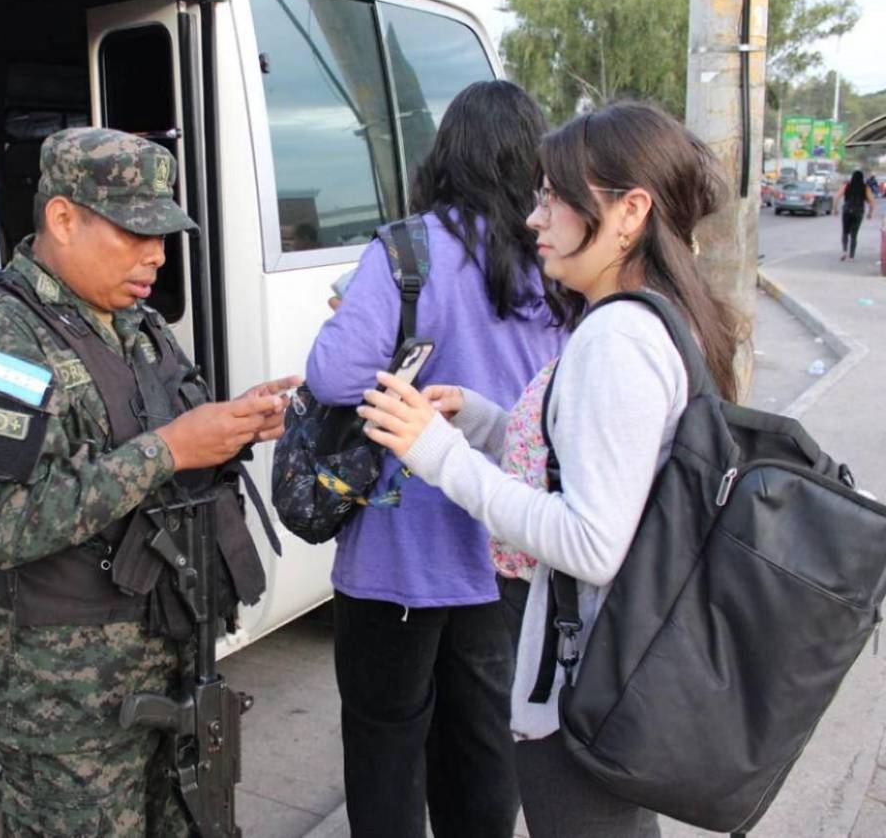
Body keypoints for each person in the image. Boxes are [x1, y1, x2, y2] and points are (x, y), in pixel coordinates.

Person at [359, 102, 741, 838]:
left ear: (631, 212)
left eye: (557, 197)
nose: (534, 217)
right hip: (616, 657)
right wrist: (484, 421)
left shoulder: (617, 339)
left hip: (586, 670)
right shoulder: (653, 315)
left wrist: (438, 455)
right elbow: (600, 467)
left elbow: (590, 541)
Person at [0, 127, 298, 837]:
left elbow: (157, 434)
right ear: (63, 218)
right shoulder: (0, 337)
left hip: (168, 660)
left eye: (162, 235)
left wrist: (232, 424)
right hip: (68, 703)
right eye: (135, 233)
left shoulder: (135, 321)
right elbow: (11, 520)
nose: (156, 254)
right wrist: (171, 449)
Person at [305, 80, 572, 838]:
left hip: (397, 554)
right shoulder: (556, 258)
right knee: (483, 750)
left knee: (386, 749)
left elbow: (332, 376)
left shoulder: (407, 249)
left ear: (445, 154)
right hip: (506, 549)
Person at [835, 169, 875, 261]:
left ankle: (844, 252)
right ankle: (851, 257)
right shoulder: (865, 187)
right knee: (854, 234)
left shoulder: (846, 185)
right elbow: (872, 202)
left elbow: (836, 197)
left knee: (845, 232)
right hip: (858, 212)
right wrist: (870, 213)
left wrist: (835, 209)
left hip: (847, 210)